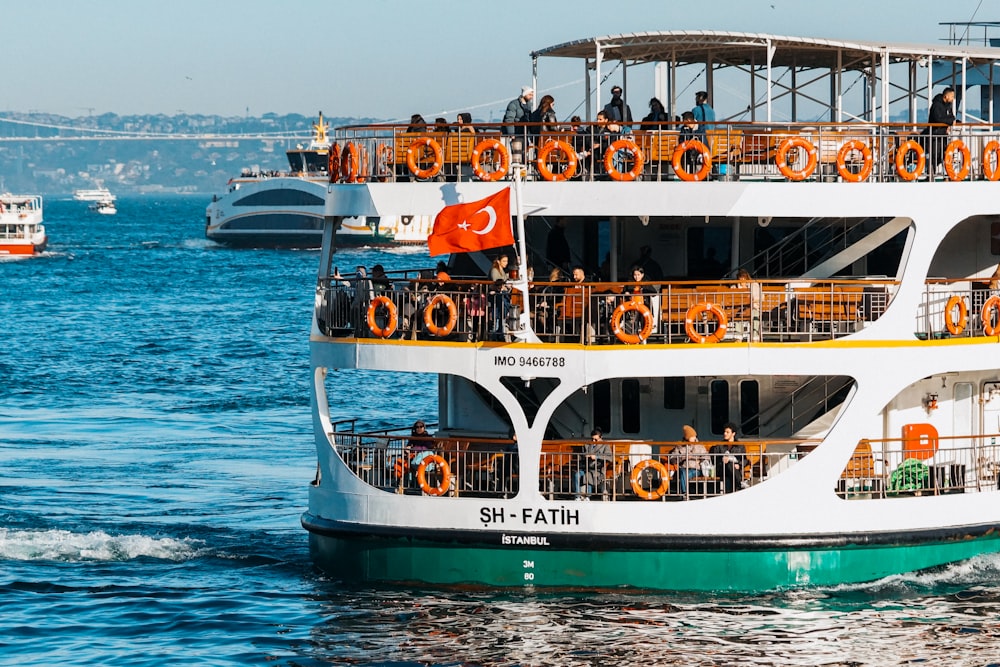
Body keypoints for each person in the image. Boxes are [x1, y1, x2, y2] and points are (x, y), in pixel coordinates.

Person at [668, 425, 709, 495]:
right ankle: (685, 493)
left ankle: (684, 494)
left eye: (695, 436)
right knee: (683, 472)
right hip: (683, 468)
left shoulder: (699, 446)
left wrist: (698, 460)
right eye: (692, 436)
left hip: (696, 469)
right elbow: (672, 459)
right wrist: (684, 457)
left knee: (684, 474)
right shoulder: (680, 446)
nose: (695, 438)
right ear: (688, 437)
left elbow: (706, 457)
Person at [924, 87, 956, 175]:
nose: (953, 99)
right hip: (934, 134)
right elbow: (938, 118)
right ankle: (931, 174)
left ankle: (946, 174)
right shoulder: (936, 105)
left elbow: (952, 116)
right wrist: (950, 121)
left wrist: (951, 122)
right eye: (952, 96)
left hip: (943, 134)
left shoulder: (948, 106)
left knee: (943, 154)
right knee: (934, 155)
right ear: (946, 96)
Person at [709, 422, 748, 494]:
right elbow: (714, 459)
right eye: (724, 432)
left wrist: (739, 465)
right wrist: (722, 460)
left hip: (734, 470)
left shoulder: (740, 446)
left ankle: (735, 490)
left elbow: (745, 460)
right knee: (730, 464)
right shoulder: (720, 445)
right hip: (722, 469)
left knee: (731, 466)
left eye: (727, 432)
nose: (725, 433)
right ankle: (740, 483)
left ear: (733, 434)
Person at [574, 428, 613, 500]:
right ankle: (577, 496)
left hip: (597, 469)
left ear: (601, 438)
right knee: (577, 475)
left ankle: (588, 496)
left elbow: (609, 458)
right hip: (586, 467)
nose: (593, 441)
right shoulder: (587, 445)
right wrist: (586, 455)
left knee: (589, 475)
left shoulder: (605, 445)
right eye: (592, 439)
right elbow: (582, 455)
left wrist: (597, 457)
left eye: (596, 439)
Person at [732, 268, 762, 341]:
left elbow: (758, 298)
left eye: (744, 277)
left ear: (747, 277)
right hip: (739, 308)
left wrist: (751, 302)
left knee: (754, 313)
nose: (742, 280)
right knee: (739, 313)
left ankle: (755, 336)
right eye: (740, 277)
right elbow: (732, 300)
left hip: (752, 307)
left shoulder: (754, 285)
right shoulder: (734, 287)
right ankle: (738, 336)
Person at [488, 254, 512, 339]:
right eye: (504, 261)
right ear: (499, 261)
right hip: (495, 294)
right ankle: (497, 331)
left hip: (501, 293)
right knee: (501, 304)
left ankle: (500, 329)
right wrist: (504, 286)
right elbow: (497, 282)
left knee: (504, 303)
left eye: (507, 261)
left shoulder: (502, 270)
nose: (506, 263)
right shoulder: (495, 270)